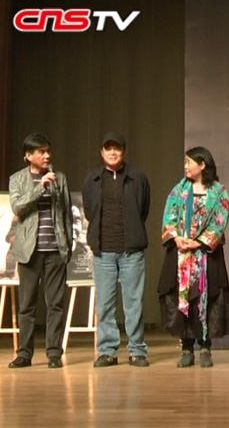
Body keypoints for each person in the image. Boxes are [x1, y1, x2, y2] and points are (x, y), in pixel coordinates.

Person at [158, 147, 229, 368]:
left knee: (206, 299)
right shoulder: (179, 190)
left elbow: (220, 220)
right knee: (184, 299)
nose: (186, 166)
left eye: (189, 162)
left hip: (206, 255)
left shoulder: (218, 192)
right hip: (182, 255)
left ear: (202, 165)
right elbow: (169, 217)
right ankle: (186, 348)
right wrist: (176, 238)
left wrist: (199, 242)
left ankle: (206, 347)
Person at [82, 132, 150, 368]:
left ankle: (137, 350)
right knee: (104, 304)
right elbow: (89, 210)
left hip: (131, 250)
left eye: (117, 148)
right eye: (108, 148)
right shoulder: (92, 179)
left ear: (124, 151)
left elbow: (143, 209)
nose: (112, 152)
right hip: (103, 250)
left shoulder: (137, 177)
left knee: (133, 303)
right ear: (101, 152)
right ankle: (107, 351)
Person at [8, 133, 72, 369]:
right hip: (29, 252)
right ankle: (24, 354)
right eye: (41, 152)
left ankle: (54, 354)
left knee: (55, 304)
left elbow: (66, 214)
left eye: (48, 151)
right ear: (28, 156)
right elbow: (18, 207)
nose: (47, 156)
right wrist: (40, 187)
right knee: (27, 305)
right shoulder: (17, 179)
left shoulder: (60, 178)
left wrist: (68, 247)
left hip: (55, 250)